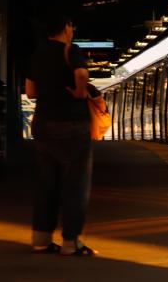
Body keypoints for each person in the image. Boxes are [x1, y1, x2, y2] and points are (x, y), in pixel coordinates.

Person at [25, 13, 96, 256]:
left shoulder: (38, 54)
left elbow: (30, 91)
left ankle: (41, 240)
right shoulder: (71, 49)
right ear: (66, 27)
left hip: (43, 125)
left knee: (47, 183)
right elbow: (82, 74)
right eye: (71, 25)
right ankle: (71, 242)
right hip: (71, 125)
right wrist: (78, 92)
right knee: (75, 185)